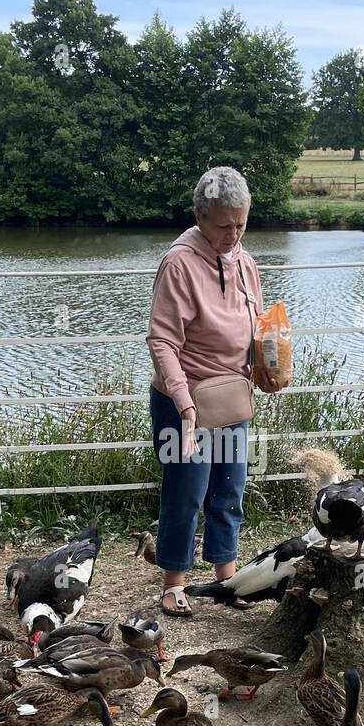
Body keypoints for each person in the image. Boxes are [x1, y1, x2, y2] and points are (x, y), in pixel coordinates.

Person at [146, 166, 277, 616]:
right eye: (225, 225)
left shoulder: (244, 260)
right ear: (200, 216)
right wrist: (183, 406)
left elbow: (256, 322)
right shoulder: (178, 264)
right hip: (185, 400)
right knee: (186, 492)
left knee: (229, 489)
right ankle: (174, 582)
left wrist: (267, 364)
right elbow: (162, 340)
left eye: (241, 223)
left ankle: (227, 576)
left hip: (232, 395)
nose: (234, 233)